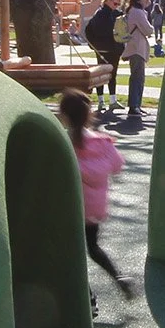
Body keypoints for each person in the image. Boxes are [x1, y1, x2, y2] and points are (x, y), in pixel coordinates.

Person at [58, 89, 134, 311]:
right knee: (92, 247)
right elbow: (117, 166)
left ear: (64, 115)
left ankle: (88, 299)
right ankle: (119, 277)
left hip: (71, 207)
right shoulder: (102, 143)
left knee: (70, 255)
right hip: (94, 208)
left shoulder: (64, 143)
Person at [84, 0, 125, 110]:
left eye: (118, 4)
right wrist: (94, 44)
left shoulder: (113, 14)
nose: (116, 6)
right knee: (104, 75)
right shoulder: (101, 14)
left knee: (109, 74)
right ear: (108, 0)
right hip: (106, 48)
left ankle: (110, 100)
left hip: (109, 48)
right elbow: (90, 31)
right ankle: (103, 101)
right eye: (115, 3)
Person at [122, 0, 153, 118]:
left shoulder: (134, 11)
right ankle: (134, 106)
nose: (147, 0)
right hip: (137, 49)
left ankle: (137, 105)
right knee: (137, 78)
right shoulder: (138, 12)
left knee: (138, 77)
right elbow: (148, 30)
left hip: (135, 47)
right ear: (138, 0)